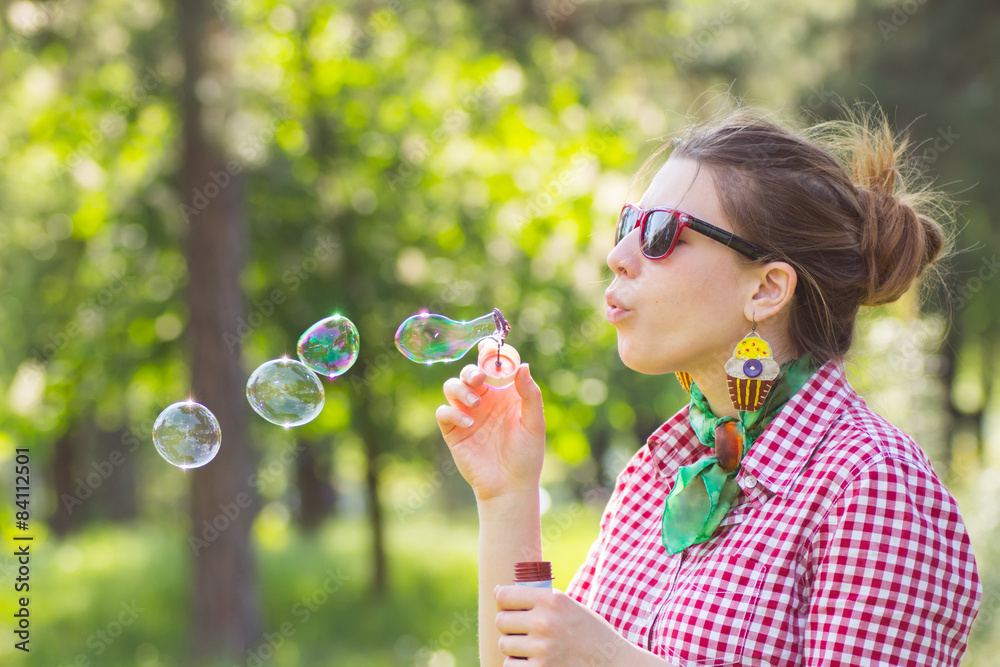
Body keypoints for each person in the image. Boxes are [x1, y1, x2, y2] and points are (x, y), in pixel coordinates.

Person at [434, 106, 981, 666]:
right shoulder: (658, 475)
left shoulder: (871, 484)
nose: (617, 257)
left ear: (767, 290)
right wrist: (507, 497)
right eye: (629, 225)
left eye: (662, 233)